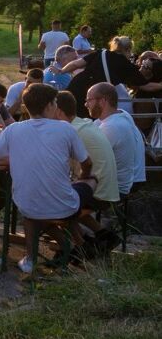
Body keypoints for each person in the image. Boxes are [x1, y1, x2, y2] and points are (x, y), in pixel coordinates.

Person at [0, 84, 92, 274]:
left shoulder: (13, 130)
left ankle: (31, 258)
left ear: (26, 107)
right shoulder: (65, 128)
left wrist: (17, 156)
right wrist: (84, 177)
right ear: (51, 105)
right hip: (63, 205)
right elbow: (87, 163)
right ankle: (77, 244)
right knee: (90, 182)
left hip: (26, 206)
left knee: (35, 209)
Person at [54, 91, 121, 253]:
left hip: (97, 191)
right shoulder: (82, 123)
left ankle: (79, 248)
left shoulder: (69, 132)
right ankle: (102, 235)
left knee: (50, 204)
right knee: (62, 195)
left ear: (57, 111)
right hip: (108, 188)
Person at [65, 36, 159, 111]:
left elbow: (75, 64)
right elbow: (146, 86)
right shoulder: (124, 64)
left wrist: (61, 70)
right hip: (90, 96)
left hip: (75, 87)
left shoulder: (101, 53)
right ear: (128, 49)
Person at [86, 82, 146, 198]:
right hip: (132, 178)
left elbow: (89, 159)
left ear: (102, 101)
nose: (86, 104)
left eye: (89, 100)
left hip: (121, 186)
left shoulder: (112, 126)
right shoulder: (121, 114)